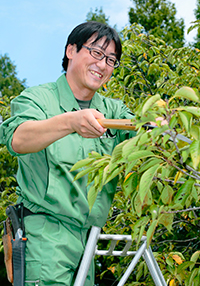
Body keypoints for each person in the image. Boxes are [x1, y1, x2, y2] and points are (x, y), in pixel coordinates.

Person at [0, 21, 136, 286]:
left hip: (90, 240)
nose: (103, 64)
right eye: (96, 53)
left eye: (111, 59)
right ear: (71, 50)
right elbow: (18, 139)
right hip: (45, 238)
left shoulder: (114, 110)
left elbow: (143, 130)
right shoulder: (38, 99)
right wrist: (71, 122)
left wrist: (162, 125)